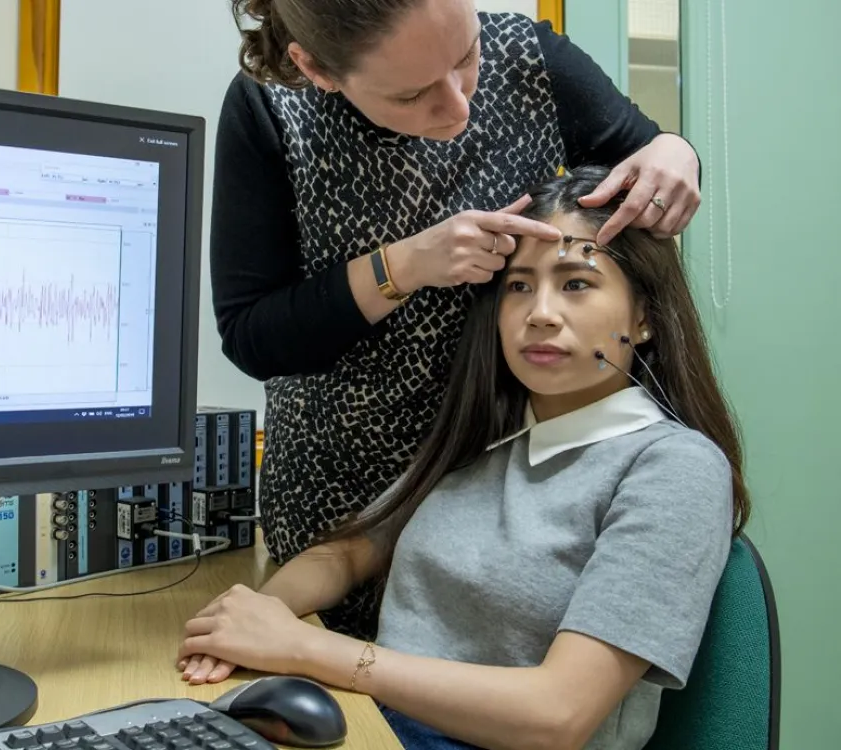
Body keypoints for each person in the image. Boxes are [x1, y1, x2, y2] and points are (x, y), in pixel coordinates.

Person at [180, 166, 747, 750]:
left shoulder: (674, 468)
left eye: (576, 284)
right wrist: (244, 619)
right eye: (518, 287)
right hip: (376, 725)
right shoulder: (490, 439)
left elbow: (558, 716)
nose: (540, 313)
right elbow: (351, 551)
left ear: (645, 317)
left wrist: (302, 648)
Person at [213, 0, 704, 641]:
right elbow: (254, 336)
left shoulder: (532, 59)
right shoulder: (271, 108)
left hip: (506, 471)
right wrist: (405, 264)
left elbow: (647, 180)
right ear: (318, 70)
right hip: (345, 504)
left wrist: (676, 151)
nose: (458, 107)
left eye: (467, 58)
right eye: (414, 93)